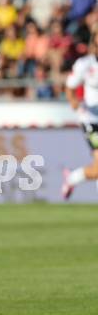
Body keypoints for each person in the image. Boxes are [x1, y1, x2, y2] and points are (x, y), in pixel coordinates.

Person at [63, 32, 98, 199]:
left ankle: (71, 177)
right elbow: (70, 87)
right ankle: (71, 178)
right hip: (91, 120)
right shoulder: (85, 64)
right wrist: (74, 102)